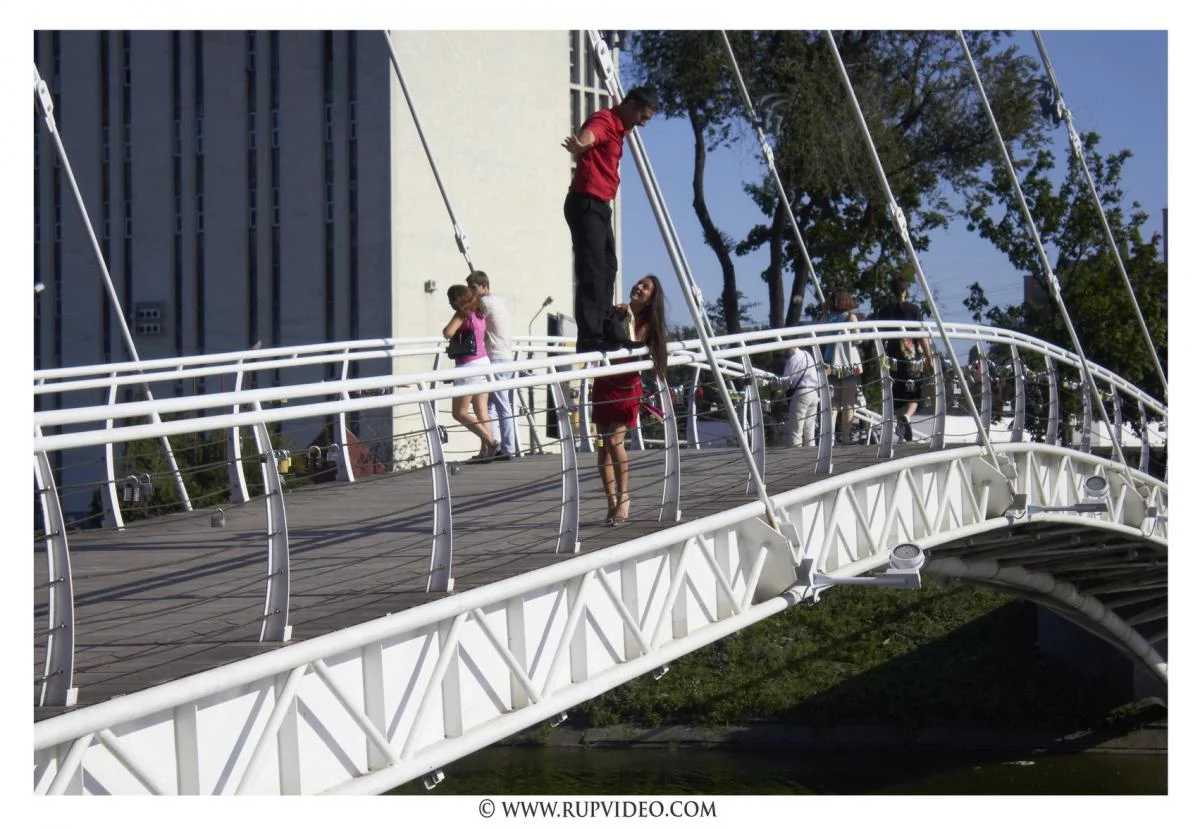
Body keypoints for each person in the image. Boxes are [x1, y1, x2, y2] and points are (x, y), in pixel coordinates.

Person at [562, 86, 659, 354]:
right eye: (643, 116)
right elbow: (592, 133)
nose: (643, 123)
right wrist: (581, 144)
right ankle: (590, 336)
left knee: (608, 267)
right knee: (592, 271)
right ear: (630, 104)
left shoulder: (621, 129)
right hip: (586, 202)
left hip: (600, 206)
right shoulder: (606, 120)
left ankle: (606, 329)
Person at [590, 274, 668, 526]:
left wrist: (629, 316)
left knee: (615, 441)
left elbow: (633, 341)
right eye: (639, 283)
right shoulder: (615, 312)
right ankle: (611, 502)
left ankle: (624, 497)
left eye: (646, 287)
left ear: (651, 299)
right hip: (604, 384)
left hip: (626, 388)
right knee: (603, 447)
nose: (639, 287)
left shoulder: (647, 321)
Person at [442, 284, 501, 461]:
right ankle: (485, 453)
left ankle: (491, 441)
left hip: (468, 366)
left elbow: (447, 332)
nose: (450, 303)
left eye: (451, 300)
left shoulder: (462, 314)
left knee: (459, 412)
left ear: (457, 300)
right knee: (481, 410)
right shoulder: (479, 313)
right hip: (483, 362)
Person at [874, 275, 934, 441]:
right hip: (910, 357)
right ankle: (907, 417)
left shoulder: (884, 311)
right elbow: (921, 337)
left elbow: (880, 338)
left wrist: (879, 360)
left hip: (892, 358)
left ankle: (901, 431)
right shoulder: (913, 310)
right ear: (905, 290)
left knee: (896, 395)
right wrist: (929, 358)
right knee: (915, 395)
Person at [465, 270, 517, 460]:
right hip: (505, 356)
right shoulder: (498, 301)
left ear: (484, 286)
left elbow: (472, 321)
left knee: (501, 405)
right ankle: (493, 446)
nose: (471, 292)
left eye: (473, 288)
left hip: (496, 358)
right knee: (491, 406)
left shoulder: (485, 303)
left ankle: (508, 448)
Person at [820, 290, 863, 444]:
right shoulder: (850, 317)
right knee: (848, 402)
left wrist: (824, 310)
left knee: (835, 402)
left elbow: (821, 335)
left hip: (830, 363)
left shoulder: (827, 318)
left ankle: (830, 436)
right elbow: (858, 340)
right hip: (848, 364)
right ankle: (845, 436)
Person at [781, 345, 820, 447]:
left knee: (796, 430)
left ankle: (796, 453)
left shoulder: (792, 360)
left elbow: (786, 381)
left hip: (801, 393)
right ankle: (811, 453)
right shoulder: (807, 355)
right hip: (814, 392)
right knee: (810, 429)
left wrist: (779, 393)